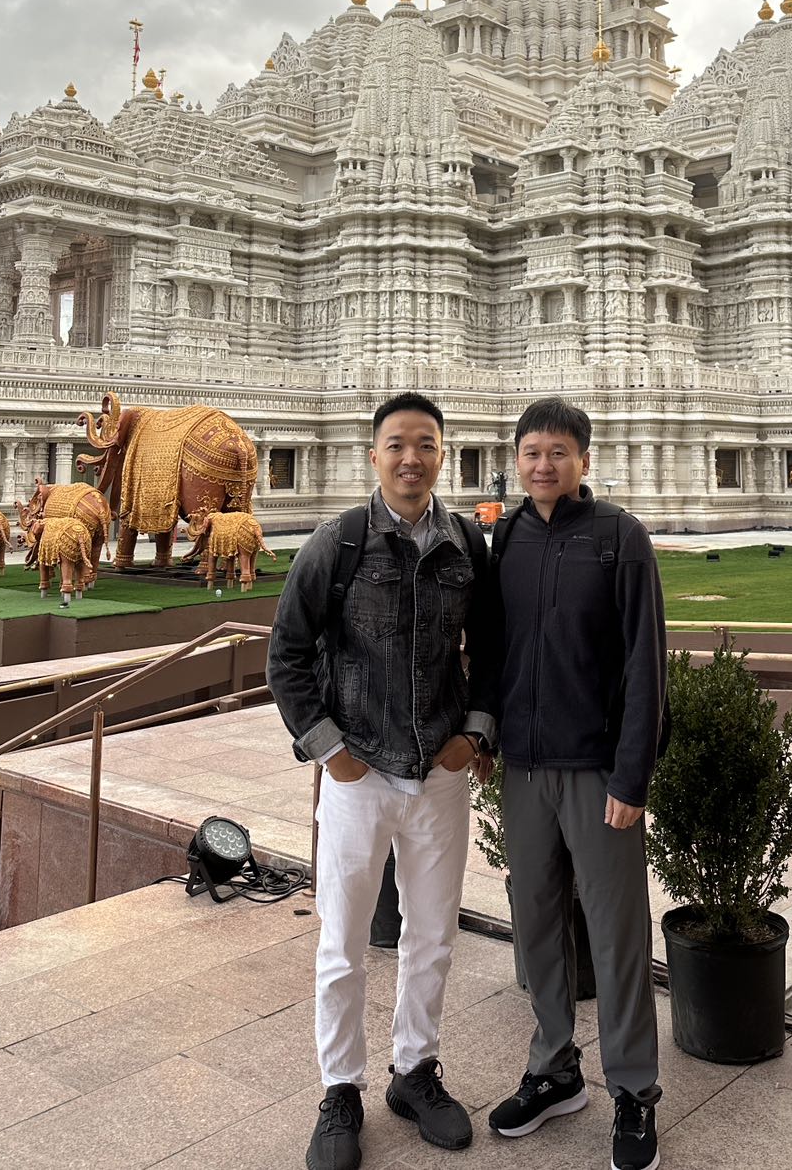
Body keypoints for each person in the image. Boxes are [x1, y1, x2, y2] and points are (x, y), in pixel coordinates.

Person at [267, 392, 500, 1170]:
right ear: (375, 454)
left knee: (432, 936)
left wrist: (475, 731)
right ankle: (340, 1087)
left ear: (442, 453)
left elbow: (492, 649)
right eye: (397, 443)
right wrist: (327, 745)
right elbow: (288, 653)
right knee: (342, 942)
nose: (411, 457)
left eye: (425, 444)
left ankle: (414, 1069)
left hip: (438, 772)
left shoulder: (467, 542)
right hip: (359, 771)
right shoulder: (338, 542)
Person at [488, 397, 667, 1170]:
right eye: (531, 452)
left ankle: (632, 1088)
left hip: (598, 770)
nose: (543, 465)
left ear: (584, 460)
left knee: (617, 929)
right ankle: (554, 1065)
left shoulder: (619, 538)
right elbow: (493, 647)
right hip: (525, 768)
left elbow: (644, 664)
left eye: (558, 451)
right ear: (517, 459)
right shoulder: (508, 536)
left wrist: (633, 773)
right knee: (535, 923)